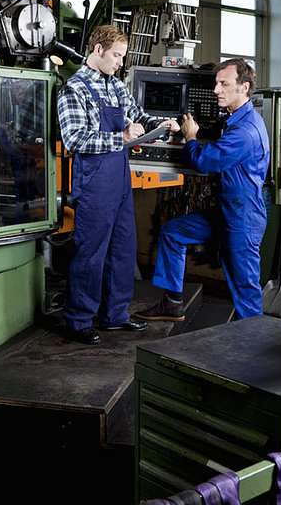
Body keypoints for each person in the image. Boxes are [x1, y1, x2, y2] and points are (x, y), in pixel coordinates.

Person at [57, 25, 179, 344]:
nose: (120, 63)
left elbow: (138, 115)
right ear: (97, 50)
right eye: (116, 56)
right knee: (91, 252)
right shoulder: (75, 88)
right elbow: (74, 138)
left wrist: (162, 124)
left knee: (123, 248)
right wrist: (120, 138)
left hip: (120, 179)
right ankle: (79, 320)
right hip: (95, 180)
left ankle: (114, 315)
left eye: (123, 57)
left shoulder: (116, 86)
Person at [136, 58, 270, 322]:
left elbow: (205, 161)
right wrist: (180, 128)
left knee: (244, 290)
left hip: (242, 218)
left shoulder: (246, 131)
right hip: (226, 211)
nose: (216, 90)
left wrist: (191, 137)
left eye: (224, 84)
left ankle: (252, 345)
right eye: (216, 83)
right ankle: (172, 303)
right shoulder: (237, 120)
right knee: (172, 233)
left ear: (244, 87)